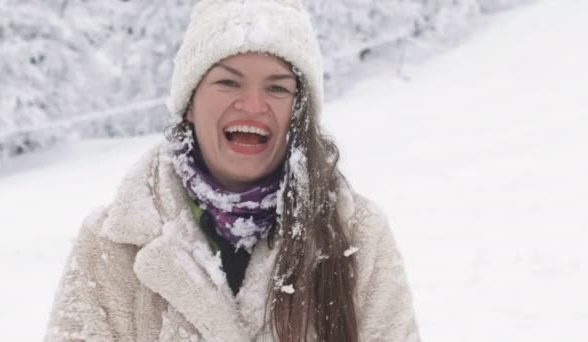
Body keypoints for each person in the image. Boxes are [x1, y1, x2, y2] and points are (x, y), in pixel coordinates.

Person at [44, 0, 420, 341]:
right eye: (228, 81)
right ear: (190, 103)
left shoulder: (359, 235)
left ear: (300, 111)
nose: (253, 105)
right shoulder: (112, 247)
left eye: (277, 88)